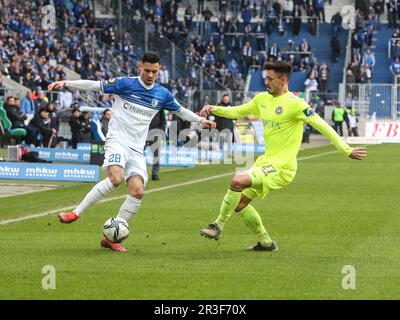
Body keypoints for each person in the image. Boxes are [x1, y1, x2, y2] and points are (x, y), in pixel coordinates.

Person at [48, 51, 215, 252]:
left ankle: (111, 237)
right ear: (139, 67)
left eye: (154, 71)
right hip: (117, 140)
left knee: (138, 191)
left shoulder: (162, 94)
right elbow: (95, 85)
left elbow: (180, 110)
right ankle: (75, 213)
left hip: (137, 148)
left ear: (159, 69)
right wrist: (67, 83)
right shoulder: (125, 84)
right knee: (116, 179)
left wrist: (200, 120)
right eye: (147, 70)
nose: (151, 75)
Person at [199, 61, 366, 251]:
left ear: (283, 80)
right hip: (265, 162)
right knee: (239, 204)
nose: (266, 83)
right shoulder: (262, 98)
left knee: (237, 180)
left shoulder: (296, 104)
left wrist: (347, 150)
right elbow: (238, 111)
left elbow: (324, 127)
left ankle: (218, 225)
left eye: (270, 79)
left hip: (283, 167)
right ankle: (266, 243)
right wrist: (213, 108)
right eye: (265, 78)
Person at [146, 109, 167, 181]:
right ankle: (135, 172)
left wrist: (161, 132)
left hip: (156, 133)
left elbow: (163, 121)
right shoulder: (144, 104)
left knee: (156, 155)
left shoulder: (160, 107)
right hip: (143, 132)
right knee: (137, 153)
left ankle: (154, 174)